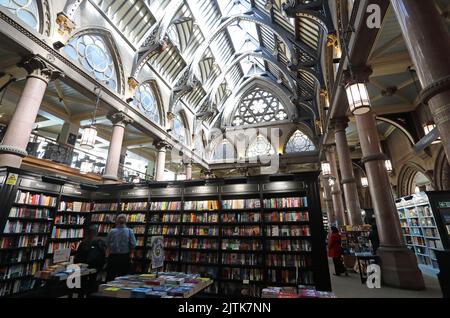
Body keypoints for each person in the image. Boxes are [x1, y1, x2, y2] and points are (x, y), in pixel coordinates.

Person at [106, 214, 137, 282]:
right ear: (126, 221)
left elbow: (107, 244)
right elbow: (133, 245)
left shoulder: (111, 231)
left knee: (111, 277)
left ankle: (108, 291)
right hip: (124, 257)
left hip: (113, 257)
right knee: (123, 277)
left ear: (116, 221)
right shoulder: (129, 231)